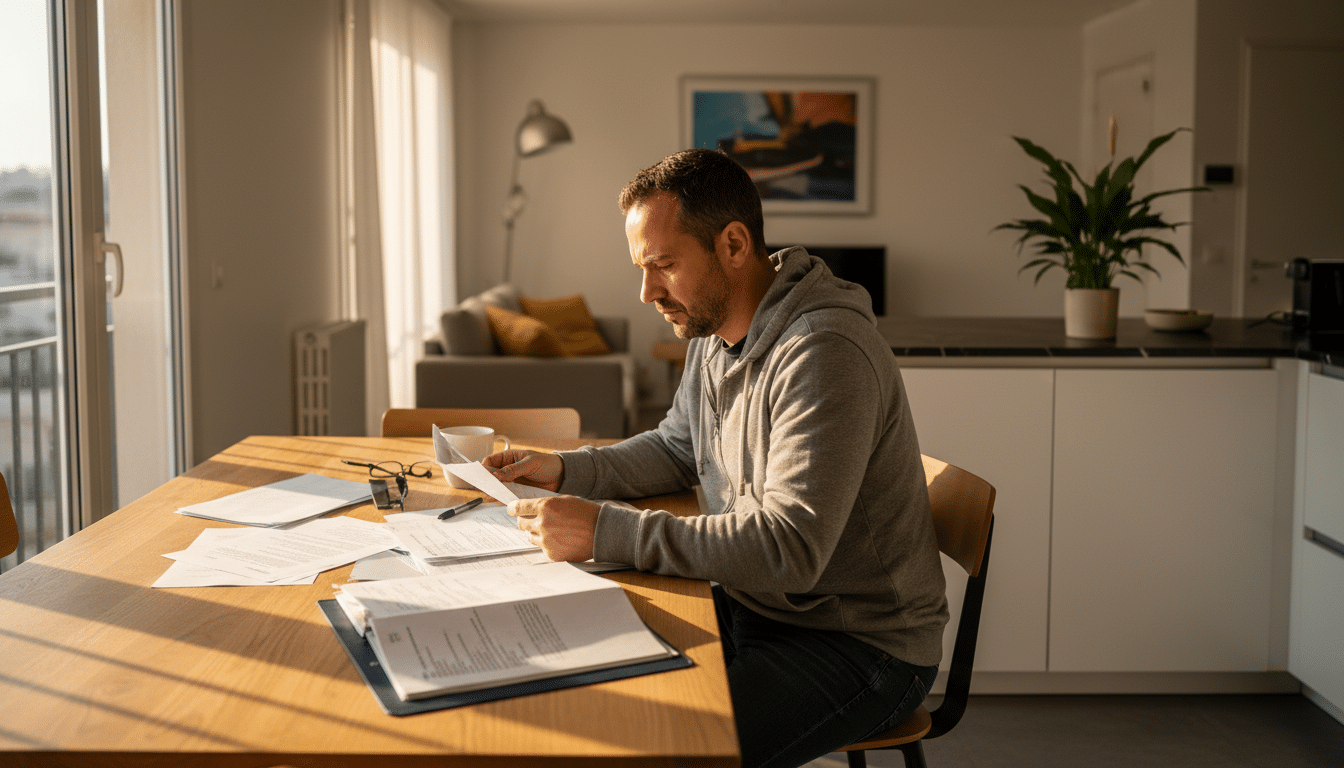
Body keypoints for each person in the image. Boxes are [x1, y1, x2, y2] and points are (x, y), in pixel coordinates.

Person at [484, 147, 947, 768]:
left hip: (857, 642)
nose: (647, 291)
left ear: (733, 245)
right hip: (754, 601)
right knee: (575, 683)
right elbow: (678, 447)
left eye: (664, 265)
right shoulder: (713, 328)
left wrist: (607, 530)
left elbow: (789, 549)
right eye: (642, 268)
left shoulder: (823, 351)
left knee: (659, 748)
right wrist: (569, 469)